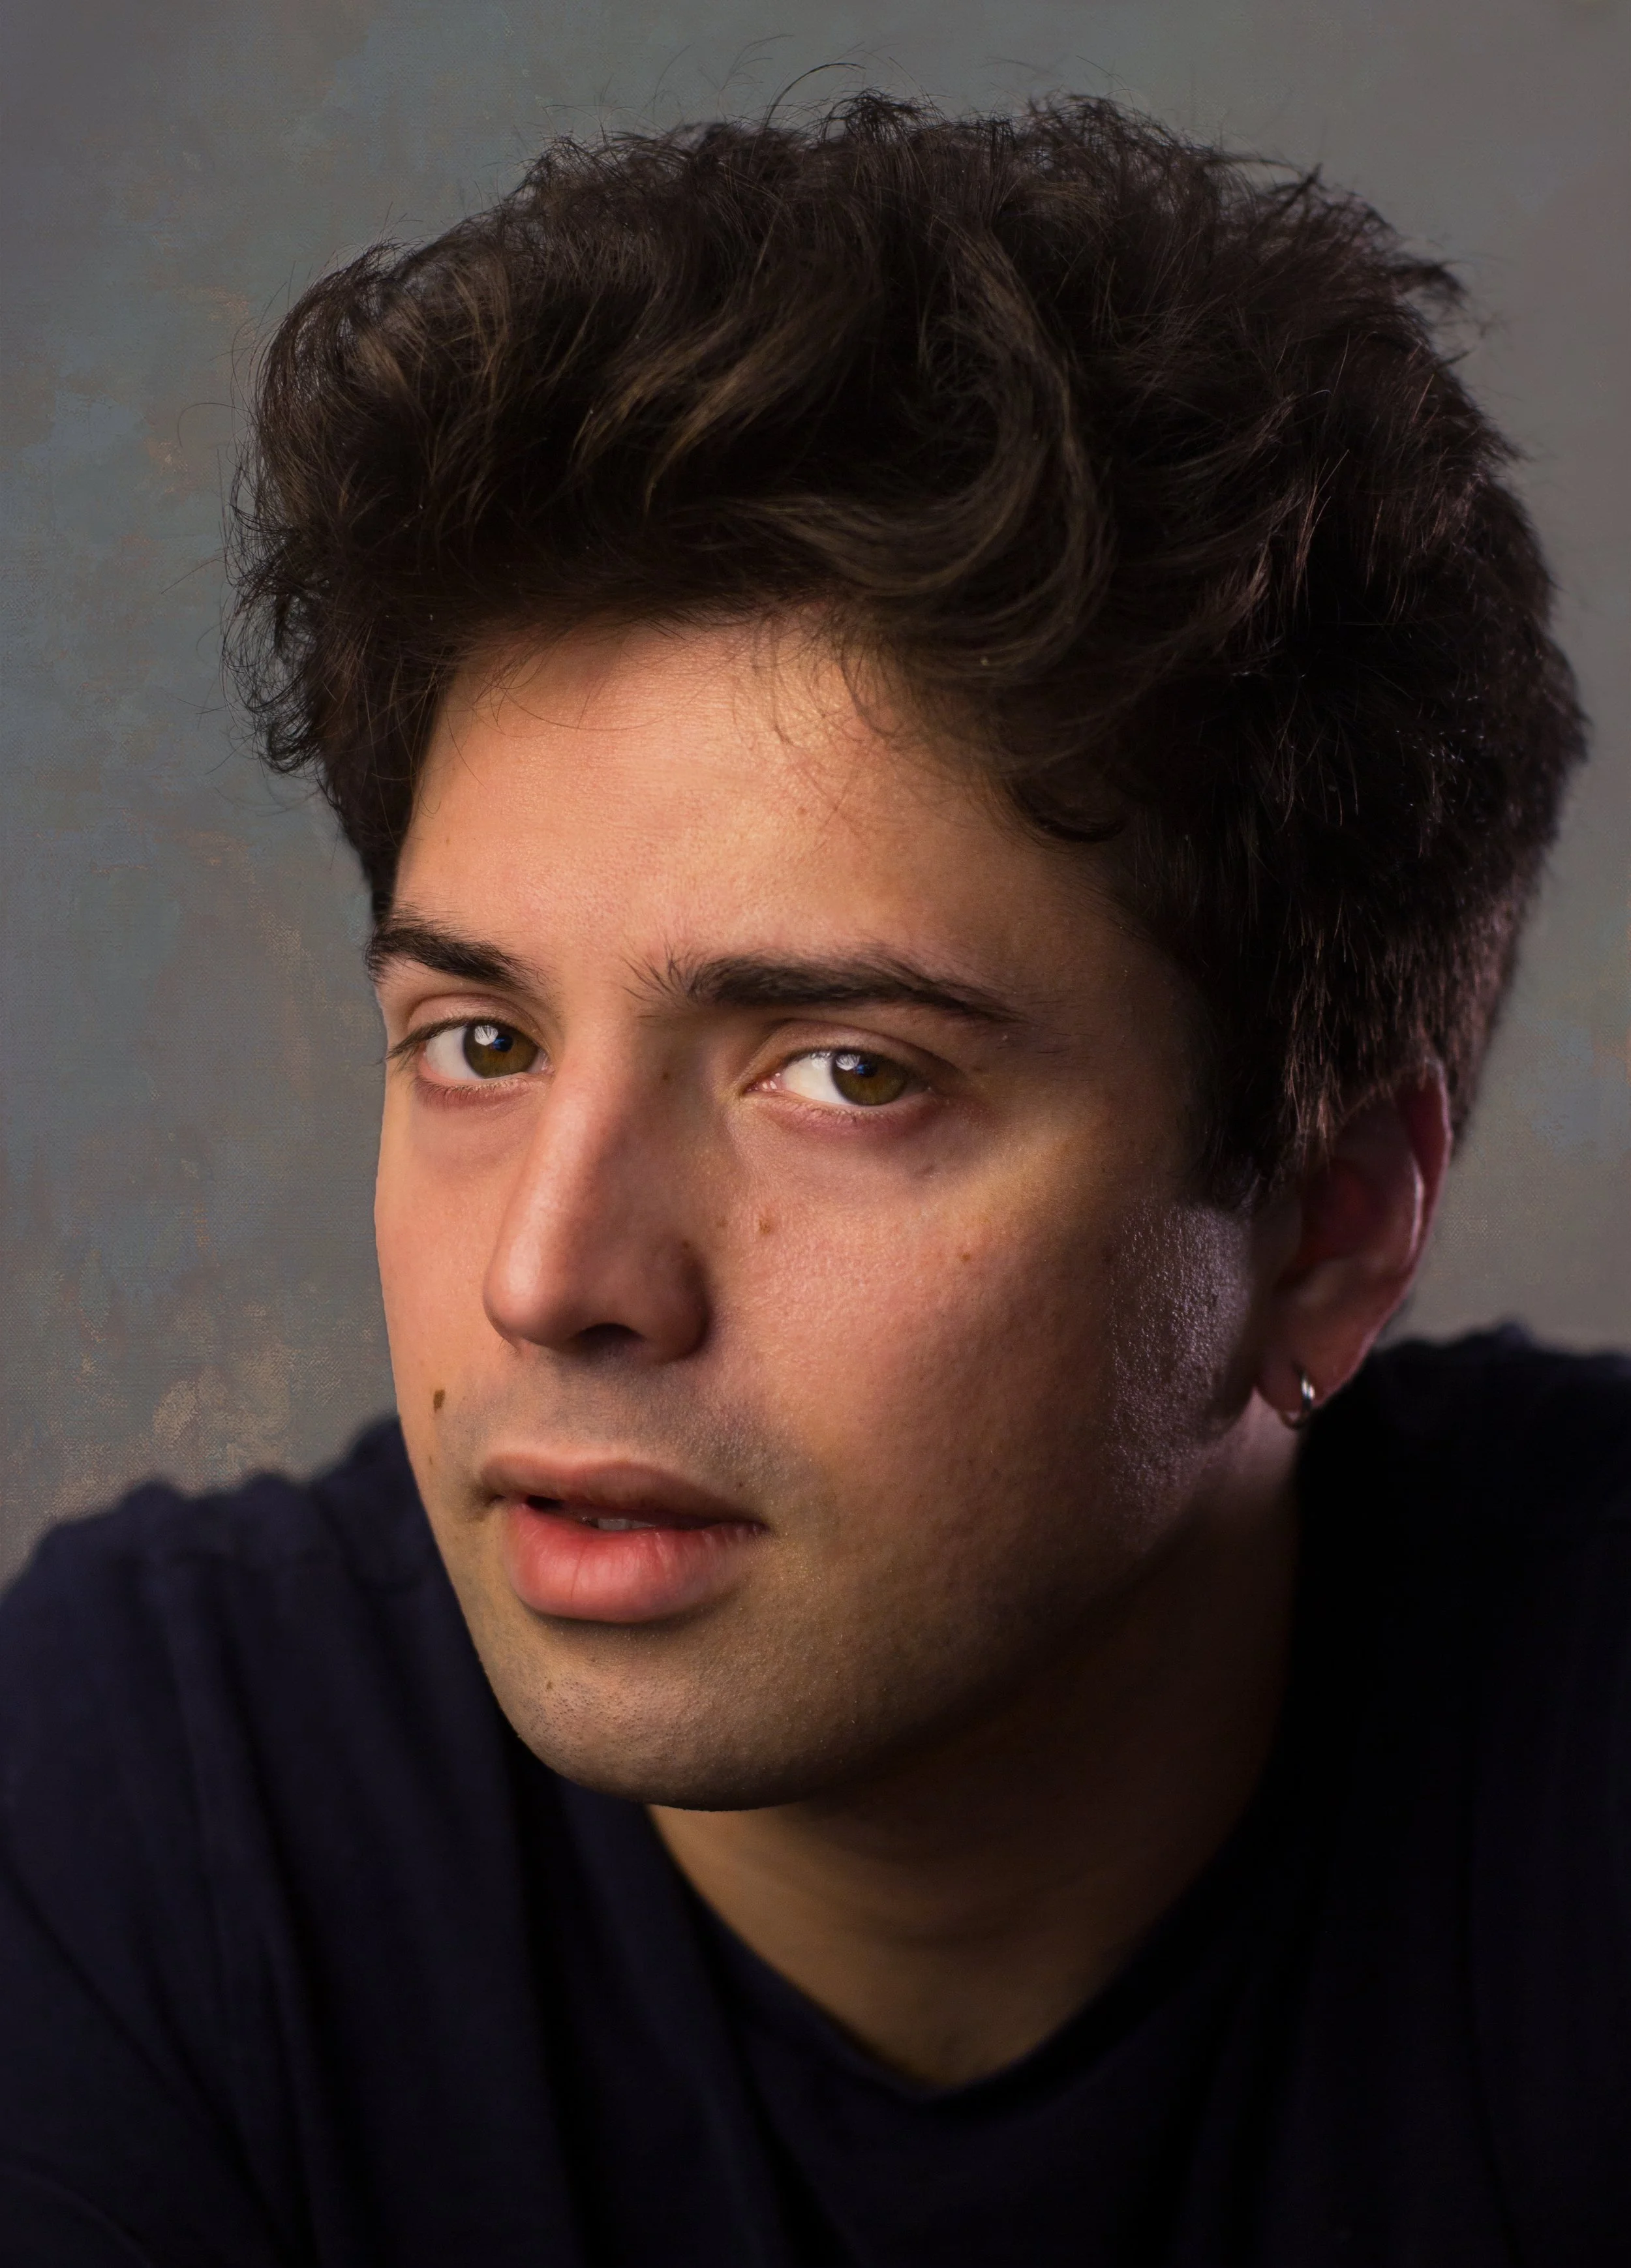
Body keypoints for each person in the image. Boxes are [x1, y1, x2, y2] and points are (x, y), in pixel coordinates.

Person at [1, 93, 1625, 2267]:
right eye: (479, 1041)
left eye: (845, 1073)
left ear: (1327, 1224)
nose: (553, 1276)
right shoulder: (143, 1804)